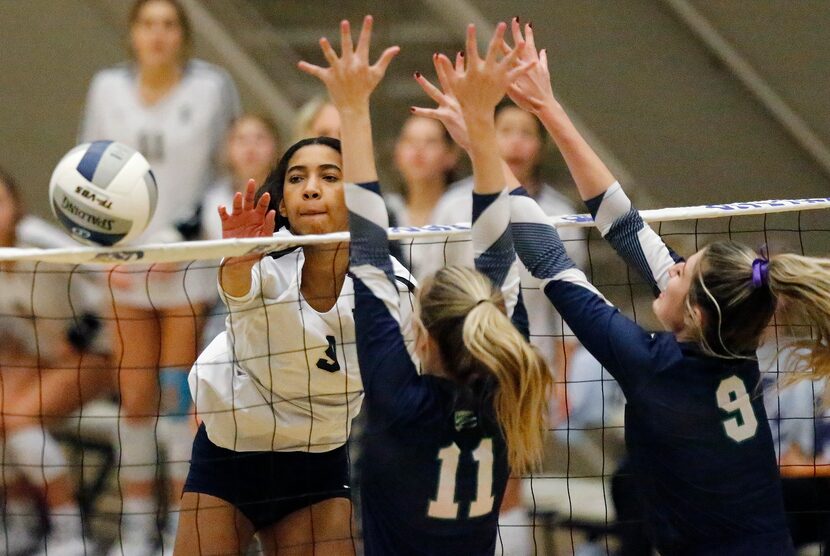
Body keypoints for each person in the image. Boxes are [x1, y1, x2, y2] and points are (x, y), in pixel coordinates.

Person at [491, 19, 830, 553]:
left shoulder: (657, 367)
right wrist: (546, 106)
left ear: (694, 313)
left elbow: (549, 259)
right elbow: (624, 226)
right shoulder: (728, 341)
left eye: (680, 271)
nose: (669, 267)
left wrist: (483, 148)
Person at [301, 17, 550, 553]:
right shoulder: (507, 398)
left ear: (422, 333)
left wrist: (350, 108)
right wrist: (481, 125)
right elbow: (377, 244)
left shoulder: (400, 399)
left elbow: (369, 247)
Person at [179, 24, 418, 548]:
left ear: (355, 195)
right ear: (283, 204)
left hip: (317, 469)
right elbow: (237, 285)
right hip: (229, 459)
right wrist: (237, 254)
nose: (312, 187)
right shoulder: (264, 265)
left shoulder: (388, 286)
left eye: (331, 177)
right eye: (297, 178)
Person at [77, 0, 241, 551]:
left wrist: (182, 239)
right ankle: (134, 526)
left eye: (169, 24)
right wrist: (109, 247)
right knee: (136, 398)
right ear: (133, 34)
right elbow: (87, 173)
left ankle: (178, 523)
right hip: (126, 265)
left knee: (178, 397)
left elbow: (226, 168)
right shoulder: (106, 88)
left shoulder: (213, 88)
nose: (158, 35)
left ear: (183, 35)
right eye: (148, 24)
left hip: (186, 262)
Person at [0, 167, 112, 554]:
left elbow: (107, 275)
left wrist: (80, 333)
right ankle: (21, 523)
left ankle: (71, 534)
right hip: (40, 360)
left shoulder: (35, 239)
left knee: (18, 418)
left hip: (97, 356)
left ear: (15, 204)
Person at [386, 114, 460, 277]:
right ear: (397, 154)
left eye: (431, 142)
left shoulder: (462, 209)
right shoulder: (385, 211)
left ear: (451, 155)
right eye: (410, 141)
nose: (419, 149)